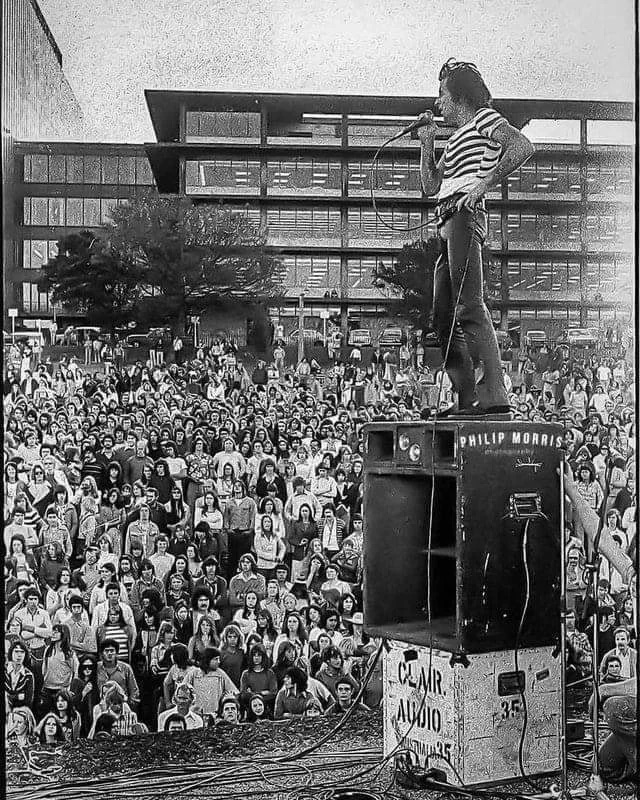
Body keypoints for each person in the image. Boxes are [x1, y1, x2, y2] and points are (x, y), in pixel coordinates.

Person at [418, 59, 533, 416]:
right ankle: (465, 396)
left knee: (469, 305)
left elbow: (522, 147)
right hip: (446, 218)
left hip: (465, 216)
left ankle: (494, 396)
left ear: (458, 95)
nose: (438, 104)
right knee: (442, 315)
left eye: (442, 95)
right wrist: (427, 143)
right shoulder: (455, 137)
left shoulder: (484, 118)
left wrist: (484, 184)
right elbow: (430, 186)